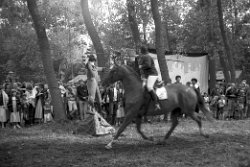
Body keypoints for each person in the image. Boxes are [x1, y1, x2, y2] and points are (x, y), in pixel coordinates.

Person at [136, 46, 161, 111]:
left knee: (149, 87)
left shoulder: (146, 56)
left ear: (142, 50)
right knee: (142, 87)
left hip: (152, 74)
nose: (139, 51)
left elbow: (148, 65)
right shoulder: (143, 57)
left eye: (139, 50)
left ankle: (156, 103)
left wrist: (141, 66)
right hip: (147, 75)